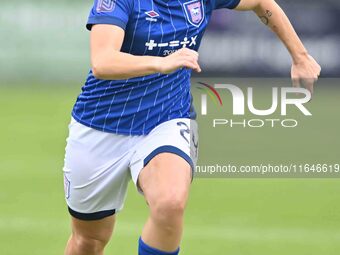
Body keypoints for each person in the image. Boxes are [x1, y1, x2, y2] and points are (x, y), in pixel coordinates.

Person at [62, 0, 321, 254]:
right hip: (100, 125)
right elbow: (103, 62)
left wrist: (300, 56)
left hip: (167, 119)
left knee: (170, 203)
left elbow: (261, 2)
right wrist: (160, 63)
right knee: (89, 242)